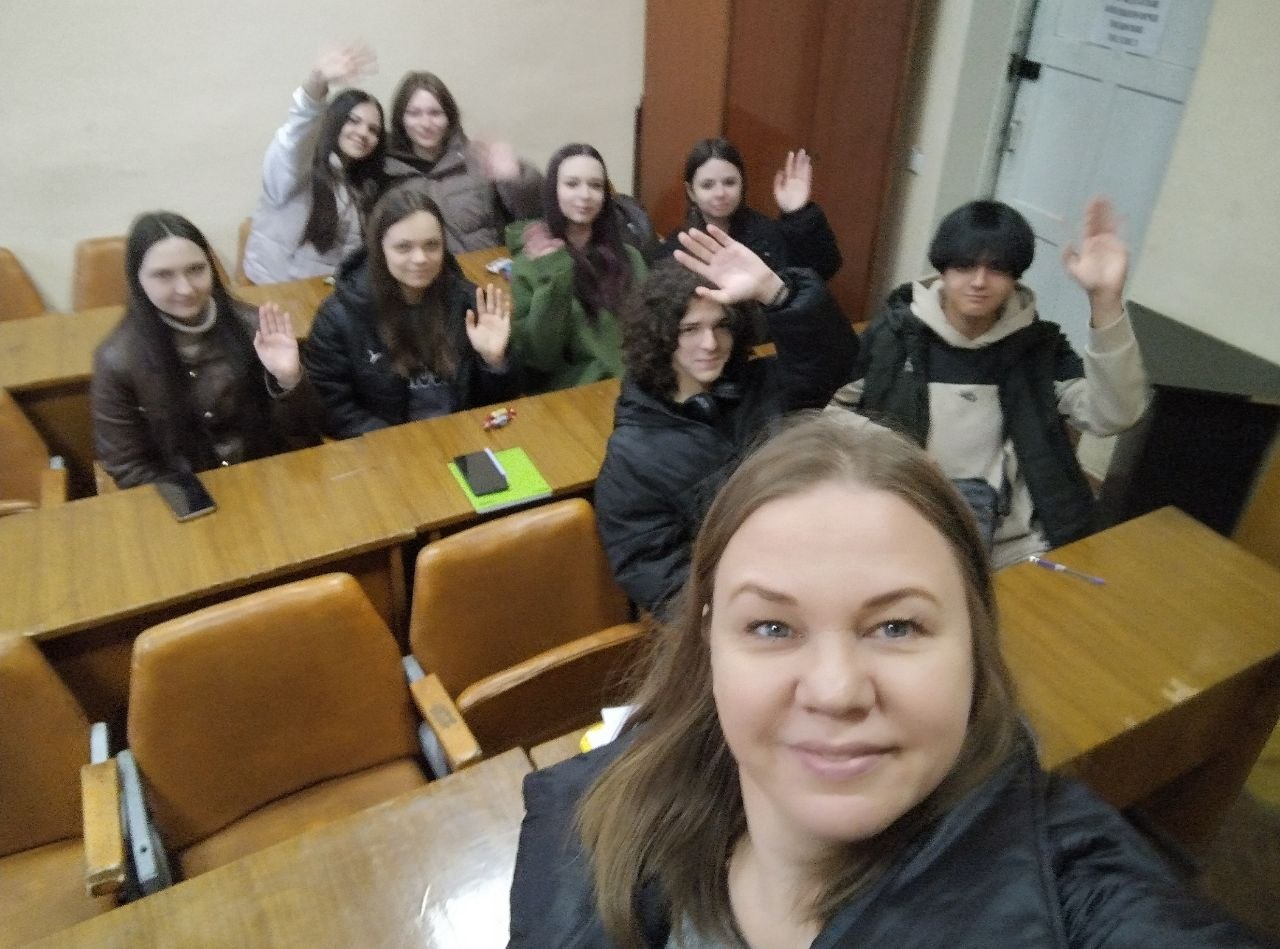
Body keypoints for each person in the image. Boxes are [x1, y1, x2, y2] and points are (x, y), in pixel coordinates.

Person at [509, 415, 1263, 948]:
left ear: (975, 641)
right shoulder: (584, 820)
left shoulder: (1085, 900)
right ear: (708, 638)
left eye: (896, 626)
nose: (836, 691)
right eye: (771, 627)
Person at [827, 197, 1150, 567]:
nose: (979, 282)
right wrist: (896, 451)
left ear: (1015, 276)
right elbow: (830, 417)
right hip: (905, 522)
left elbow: (1114, 416)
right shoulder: (895, 335)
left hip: (1011, 542)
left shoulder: (1038, 347)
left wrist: (1105, 300)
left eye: (997, 268)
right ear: (943, 268)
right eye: (965, 266)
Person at [594, 225, 857, 617]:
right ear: (660, 336)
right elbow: (652, 567)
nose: (710, 343)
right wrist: (733, 615)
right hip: (737, 610)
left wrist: (777, 292)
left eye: (721, 325)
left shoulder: (763, 386)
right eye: (690, 329)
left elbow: (836, 360)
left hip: (815, 569)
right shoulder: (633, 454)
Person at [92, 212, 321, 489]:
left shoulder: (255, 328)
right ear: (137, 280)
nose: (185, 289)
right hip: (186, 494)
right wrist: (195, 499)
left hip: (267, 482)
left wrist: (289, 380)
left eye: (196, 269)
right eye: (163, 275)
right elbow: (128, 466)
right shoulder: (117, 359)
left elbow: (305, 433)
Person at [302, 181, 517, 438]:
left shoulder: (469, 301)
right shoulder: (339, 316)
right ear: (379, 249)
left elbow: (499, 404)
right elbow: (331, 409)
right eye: (403, 247)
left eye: (432, 245)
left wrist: (495, 362)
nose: (420, 258)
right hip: (388, 448)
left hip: (461, 437)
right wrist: (403, 444)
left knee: (524, 466)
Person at [508, 143, 648, 393]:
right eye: (572, 184)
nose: (585, 195)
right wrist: (555, 274)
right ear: (553, 191)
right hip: (573, 396)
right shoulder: (528, 266)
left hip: (633, 388)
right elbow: (540, 357)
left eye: (595, 186)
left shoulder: (630, 258)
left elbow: (651, 332)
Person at [243, 44, 384, 284]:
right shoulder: (300, 168)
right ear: (333, 120)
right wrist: (317, 82)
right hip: (276, 294)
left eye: (373, 130)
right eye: (353, 121)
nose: (363, 133)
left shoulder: (360, 184)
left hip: (328, 294)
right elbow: (296, 135)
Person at [382, 71, 541, 252]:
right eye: (414, 113)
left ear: (449, 117)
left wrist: (516, 176)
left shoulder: (477, 157)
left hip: (483, 266)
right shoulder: (385, 170)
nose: (425, 123)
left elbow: (533, 212)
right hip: (421, 268)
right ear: (401, 119)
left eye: (435, 113)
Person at [657, 138, 842, 282]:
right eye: (707, 185)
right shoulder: (676, 248)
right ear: (691, 191)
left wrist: (798, 213)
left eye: (729, 182)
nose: (720, 193)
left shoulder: (768, 233)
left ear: (742, 184)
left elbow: (822, 270)